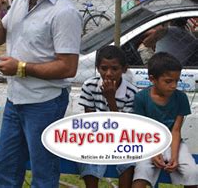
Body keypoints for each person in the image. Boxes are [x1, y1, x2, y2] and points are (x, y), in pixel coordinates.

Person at [0, 0, 82, 187]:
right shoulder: (20, 1)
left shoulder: (64, 12)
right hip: (14, 100)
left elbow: (68, 67)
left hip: (44, 104)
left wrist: (20, 68)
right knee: (7, 171)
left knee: (43, 175)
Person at [132, 52, 198, 188]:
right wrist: (153, 153)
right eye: (168, 81)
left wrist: (174, 157)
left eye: (176, 80)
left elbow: (176, 130)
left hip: (174, 143)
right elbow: (142, 130)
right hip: (148, 142)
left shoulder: (181, 98)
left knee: (192, 171)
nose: (174, 85)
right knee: (142, 171)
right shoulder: (141, 98)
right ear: (152, 79)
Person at [78, 46, 137, 188]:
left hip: (123, 138)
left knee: (129, 161)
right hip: (97, 136)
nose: (108, 74)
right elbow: (89, 121)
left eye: (114, 69)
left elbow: (125, 126)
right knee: (86, 156)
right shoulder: (90, 86)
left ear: (124, 69)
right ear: (98, 68)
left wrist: (111, 99)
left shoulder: (131, 92)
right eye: (104, 68)